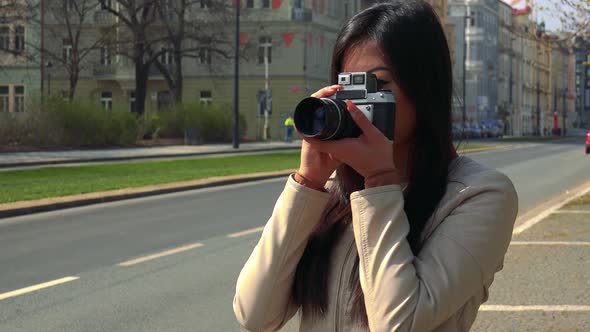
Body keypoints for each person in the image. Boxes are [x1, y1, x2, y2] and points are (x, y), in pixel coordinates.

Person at [233, 1, 518, 331]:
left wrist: (381, 181)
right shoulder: (330, 194)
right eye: (347, 84)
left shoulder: (480, 195)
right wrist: (308, 182)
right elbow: (254, 314)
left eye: (377, 85)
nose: (356, 104)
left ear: (424, 88)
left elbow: (399, 324)